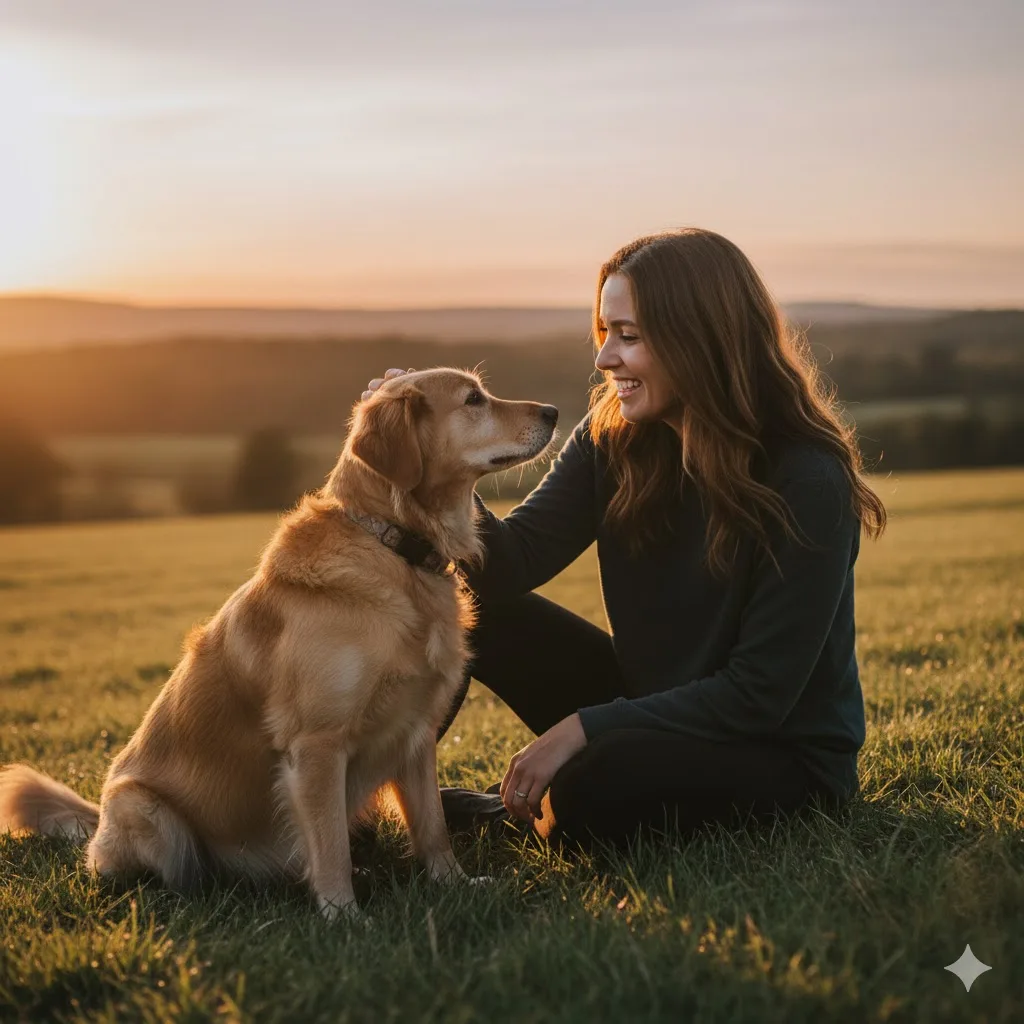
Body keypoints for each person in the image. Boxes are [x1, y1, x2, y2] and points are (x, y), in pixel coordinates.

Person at [361, 228, 886, 853]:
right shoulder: (613, 437)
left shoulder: (807, 479)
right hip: (654, 704)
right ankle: (351, 803)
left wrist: (582, 727)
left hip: (777, 753)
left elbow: (759, 695)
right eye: (604, 332)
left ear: (701, 339)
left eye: (629, 336)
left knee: (592, 790)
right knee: (471, 611)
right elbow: (502, 566)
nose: (605, 358)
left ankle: (512, 813)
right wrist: (428, 447)